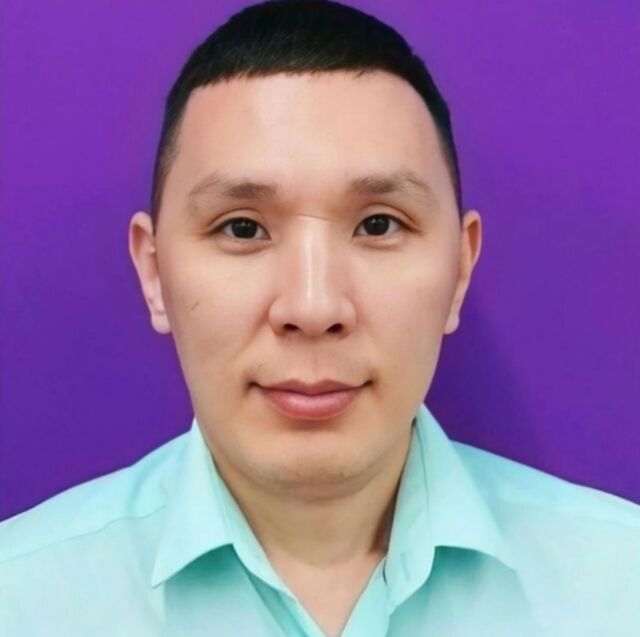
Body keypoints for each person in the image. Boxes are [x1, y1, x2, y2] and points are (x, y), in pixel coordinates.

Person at [1, 1, 638, 635]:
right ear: (154, 273)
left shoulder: (618, 587)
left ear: (459, 272)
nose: (312, 308)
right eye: (242, 228)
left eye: (379, 224)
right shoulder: (23, 598)